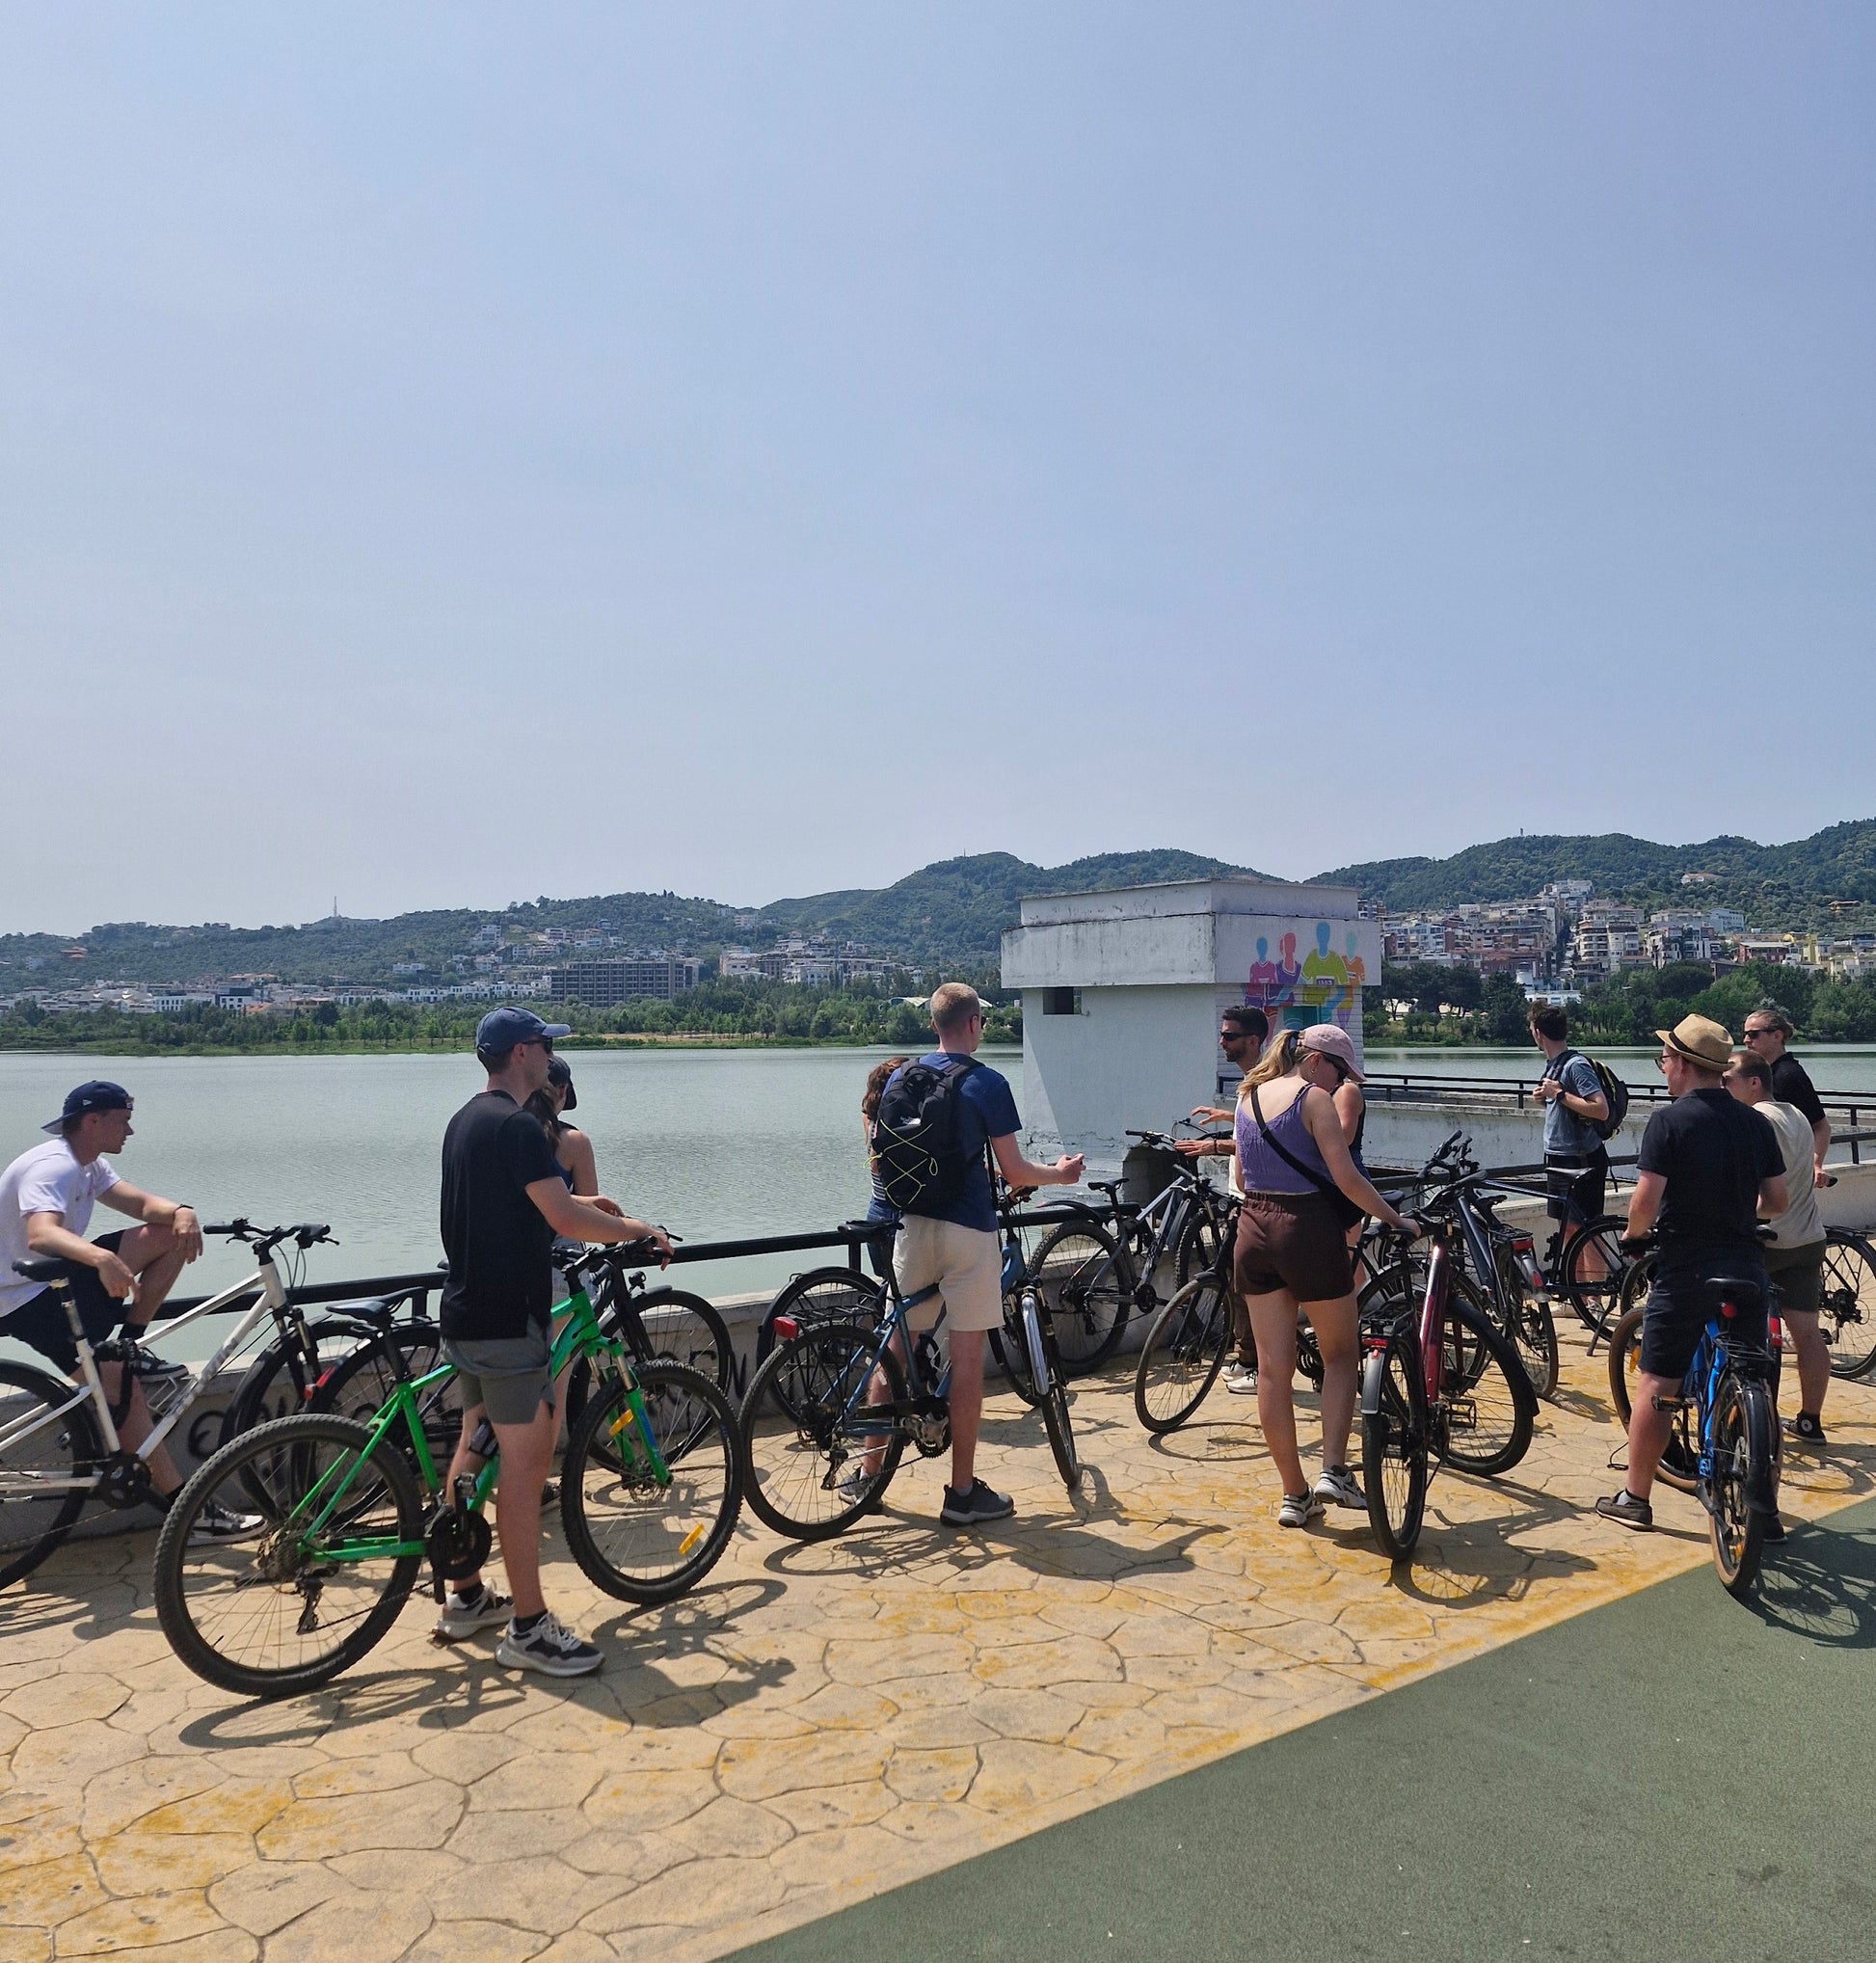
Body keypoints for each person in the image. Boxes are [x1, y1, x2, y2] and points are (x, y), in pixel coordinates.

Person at [434, 1008, 671, 1674]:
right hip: (511, 1322)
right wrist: (640, 1230)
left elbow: (522, 1208)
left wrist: (598, 1209)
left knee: (475, 1447)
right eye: (543, 1046)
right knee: (523, 1471)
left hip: (466, 1313)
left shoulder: (466, 1119)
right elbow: (563, 1217)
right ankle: (529, 1629)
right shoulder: (516, 1126)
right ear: (520, 1054)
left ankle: (464, 1595)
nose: (550, 1058)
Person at [0, 1081, 257, 1540]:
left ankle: (129, 1343)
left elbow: (140, 1205)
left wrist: (182, 1211)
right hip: (25, 1297)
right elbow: (41, 1234)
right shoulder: (54, 1166)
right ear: (92, 1121)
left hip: (54, 1282)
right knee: (125, 1394)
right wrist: (101, 1258)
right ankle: (189, 1515)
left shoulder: (88, 1164)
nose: (131, 1131)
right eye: (123, 1120)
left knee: (170, 1236)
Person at [886, 983, 1084, 1526]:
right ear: (974, 1024)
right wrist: (1061, 1175)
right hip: (968, 1232)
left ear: (934, 1024)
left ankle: (865, 1473)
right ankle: (962, 1494)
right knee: (968, 1358)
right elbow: (1015, 1172)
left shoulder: (902, 1077)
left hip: (911, 1224)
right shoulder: (988, 1083)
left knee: (900, 1349)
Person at [1228, 1026, 1421, 1528]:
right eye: (1338, 1072)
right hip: (1307, 1229)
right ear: (1315, 1061)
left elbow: (1243, 1179)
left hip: (1252, 1230)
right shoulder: (1313, 1099)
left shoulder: (1247, 1096)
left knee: (1273, 1371)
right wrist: (1396, 1219)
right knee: (1340, 1354)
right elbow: (1347, 1177)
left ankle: (1294, 1495)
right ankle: (1333, 1470)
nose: (1340, 1084)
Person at [1597, 1015, 1784, 1532]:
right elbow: (1777, 1200)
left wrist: (1634, 1237)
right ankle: (1764, 1505)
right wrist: (1739, 1216)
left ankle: (1635, 1498)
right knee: (1754, 1378)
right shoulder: (1755, 1122)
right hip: (1746, 1264)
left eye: (1665, 1060)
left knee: (1657, 1381)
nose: (1663, 1069)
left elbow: (1645, 1201)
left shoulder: (1669, 1122)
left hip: (1686, 1267)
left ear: (1681, 1063)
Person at [1725, 1045, 1831, 1462]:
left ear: (1753, 1082)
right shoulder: (1797, 1115)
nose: (1722, 1086)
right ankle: (1810, 1421)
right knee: (1807, 1334)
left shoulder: (1754, 1121)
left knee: (1741, 1335)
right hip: (1806, 1238)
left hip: (1764, 1240)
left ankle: (1750, 1421)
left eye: (1728, 1079)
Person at [1180, 1003, 1268, 1394]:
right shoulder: (1252, 1082)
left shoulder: (1263, 1082)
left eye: (1229, 1036)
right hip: (1241, 1197)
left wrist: (1214, 1146)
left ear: (1253, 1041)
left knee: (1251, 1286)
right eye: (1222, 1034)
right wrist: (1228, 1116)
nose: (1222, 1042)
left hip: (1255, 1199)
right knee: (1236, 1282)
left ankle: (1256, 1364)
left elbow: (1263, 1136)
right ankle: (1247, 1357)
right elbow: (1255, 1122)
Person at [1529, 1005, 1611, 1283]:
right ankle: (1577, 1295)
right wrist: (1546, 1099)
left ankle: (1595, 1293)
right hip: (1559, 1157)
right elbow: (1568, 1107)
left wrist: (1560, 1095)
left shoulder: (1576, 1065)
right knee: (1568, 1230)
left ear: (1538, 1034)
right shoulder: (1554, 1065)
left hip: (1581, 1159)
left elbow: (1600, 1109)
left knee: (1588, 1231)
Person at [1741, 1003, 1832, 1188]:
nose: (1746, 1040)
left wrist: (1815, 1165)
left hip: (1785, 1176)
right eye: (1745, 1034)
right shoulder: (1763, 1074)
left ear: (1777, 1036)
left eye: (1753, 1034)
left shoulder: (1790, 1075)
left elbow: (1821, 1126)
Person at [860, 1055, 911, 1279]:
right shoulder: (903, 1127)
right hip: (900, 1216)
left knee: (888, 1287)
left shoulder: (872, 1120)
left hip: (877, 1210)